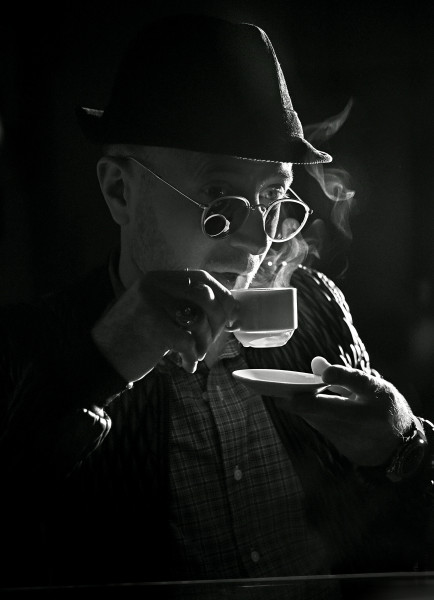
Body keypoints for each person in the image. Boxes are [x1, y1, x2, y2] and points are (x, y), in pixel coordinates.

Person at [1, 13, 433, 599]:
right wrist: (98, 370)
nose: (258, 243)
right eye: (219, 198)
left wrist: (402, 448)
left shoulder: (315, 307)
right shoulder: (36, 347)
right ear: (119, 191)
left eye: (274, 198)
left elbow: (399, 539)